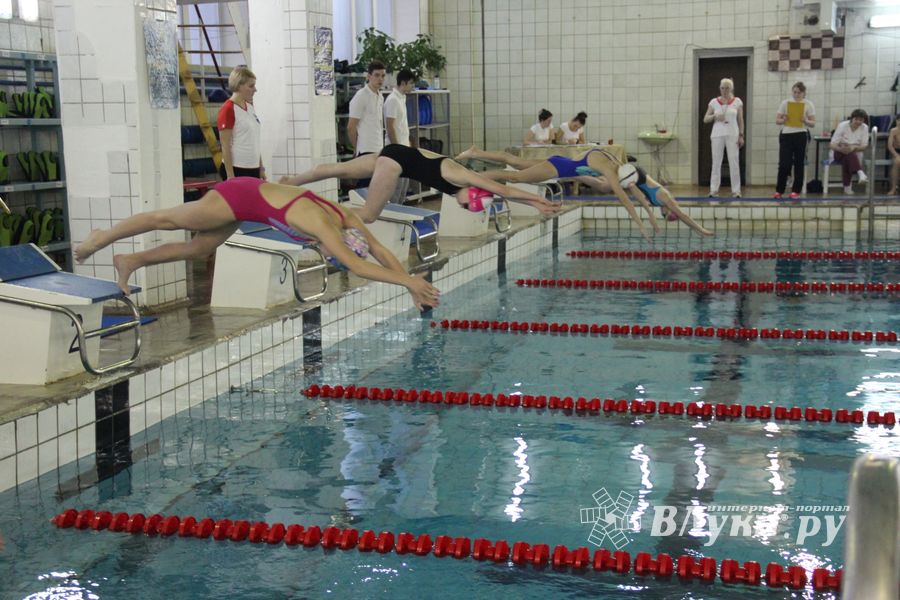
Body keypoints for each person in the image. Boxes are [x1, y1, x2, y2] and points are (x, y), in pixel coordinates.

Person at [73, 179, 440, 310]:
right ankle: (101, 238)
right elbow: (360, 265)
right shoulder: (322, 225)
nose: (333, 258)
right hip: (238, 196)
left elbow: (378, 251)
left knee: (200, 250)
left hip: (252, 205)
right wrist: (409, 281)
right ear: (339, 244)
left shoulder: (349, 220)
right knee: (167, 219)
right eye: (336, 256)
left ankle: (131, 259)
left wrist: (408, 284)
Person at [455, 146, 713, 238]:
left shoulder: (615, 164)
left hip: (564, 166)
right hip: (556, 168)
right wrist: (643, 225)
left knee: (517, 162)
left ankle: (476, 153)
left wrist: (649, 216)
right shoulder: (612, 170)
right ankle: (472, 177)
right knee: (516, 175)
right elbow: (626, 200)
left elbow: (633, 195)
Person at [279, 144, 561, 224]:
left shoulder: (467, 185)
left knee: (337, 169)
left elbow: (504, 188)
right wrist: (538, 202)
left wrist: (536, 204)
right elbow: (505, 190)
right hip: (395, 164)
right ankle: (316, 212)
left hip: (396, 152)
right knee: (368, 215)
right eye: (466, 205)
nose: (461, 206)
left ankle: (290, 182)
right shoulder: (462, 176)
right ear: (470, 194)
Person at [217, 66, 264, 180]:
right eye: (251, 86)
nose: (255, 89)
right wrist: (230, 175)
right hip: (237, 168)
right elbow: (225, 145)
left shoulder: (250, 107)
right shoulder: (228, 109)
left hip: (253, 167)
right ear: (238, 86)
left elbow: (254, 140)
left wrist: (261, 168)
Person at [773, 82, 816, 199]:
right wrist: (784, 119)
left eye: (799, 92)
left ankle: (796, 190)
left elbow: (813, 123)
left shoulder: (808, 104)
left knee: (799, 164)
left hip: (801, 135)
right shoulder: (785, 103)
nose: (796, 95)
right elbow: (777, 120)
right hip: (786, 135)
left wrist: (805, 120)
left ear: (804, 93)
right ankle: (779, 190)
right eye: (795, 92)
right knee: (784, 164)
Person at [703, 78, 744, 198]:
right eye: (722, 88)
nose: (724, 90)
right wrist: (714, 116)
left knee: (734, 161)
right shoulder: (714, 102)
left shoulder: (737, 101)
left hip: (733, 134)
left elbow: (740, 120)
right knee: (716, 162)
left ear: (731, 89)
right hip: (717, 134)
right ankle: (713, 189)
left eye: (727, 88)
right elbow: (705, 119)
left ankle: (736, 190)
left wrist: (741, 135)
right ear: (719, 88)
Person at [384, 69, 415, 204]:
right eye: (411, 83)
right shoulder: (392, 100)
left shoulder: (402, 98)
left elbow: (402, 125)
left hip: (404, 149)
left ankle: (402, 219)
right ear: (403, 83)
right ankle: (393, 219)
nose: (412, 86)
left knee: (403, 189)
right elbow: (390, 127)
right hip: (396, 152)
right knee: (395, 190)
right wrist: (397, 149)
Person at [348, 60, 387, 157]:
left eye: (383, 76)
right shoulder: (361, 96)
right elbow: (351, 127)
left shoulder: (380, 96)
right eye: (377, 75)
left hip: (378, 147)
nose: (380, 79)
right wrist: (356, 147)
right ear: (369, 76)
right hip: (365, 149)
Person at [829, 108, 869, 195]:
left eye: (861, 120)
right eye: (856, 119)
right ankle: (860, 173)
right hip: (838, 151)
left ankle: (847, 187)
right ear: (852, 118)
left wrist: (853, 147)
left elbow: (864, 146)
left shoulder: (864, 128)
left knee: (848, 156)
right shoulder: (842, 126)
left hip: (854, 152)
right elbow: (832, 145)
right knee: (848, 153)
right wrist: (841, 149)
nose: (858, 122)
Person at [888, 120, 900, 196]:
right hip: (896, 152)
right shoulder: (893, 131)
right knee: (897, 162)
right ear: (896, 121)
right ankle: (893, 188)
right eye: (899, 120)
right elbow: (890, 146)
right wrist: (896, 155)